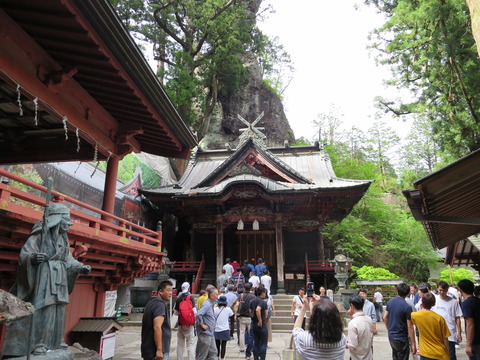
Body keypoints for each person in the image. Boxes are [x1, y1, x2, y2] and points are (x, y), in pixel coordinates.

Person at [3, 203, 91, 357]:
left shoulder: (63, 238)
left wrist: (80, 267)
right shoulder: (40, 234)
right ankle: (38, 343)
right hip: (44, 276)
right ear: (57, 219)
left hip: (60, 277)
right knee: (43, 309)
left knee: (59, 309)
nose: (68, 225)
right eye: (66, 220)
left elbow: (68, 259)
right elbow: (25, 255)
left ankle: (56, 340)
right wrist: (33, 258)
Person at [292, 293, 346, 359]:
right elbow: (330, 311)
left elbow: (296, 329)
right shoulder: (342, 339)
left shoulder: (305, 339)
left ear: (313, 320)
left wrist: (304, 307)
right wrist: (322, 301)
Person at [411, 292, 450, 360]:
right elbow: (445, 338)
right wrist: (447, 354)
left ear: (422, 302)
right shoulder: (439, 318)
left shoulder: (415, 315)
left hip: (425, 353)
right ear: (434, 304)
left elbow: (410, 324)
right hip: (440, 353)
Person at [141, 280, 173, 360]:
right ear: (160, 292)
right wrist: (159, 349)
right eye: (168, 290)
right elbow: (157, 327)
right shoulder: (160, 305)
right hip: (156, 352)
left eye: (171, 290)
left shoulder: (150, 303)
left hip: (148, 349)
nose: (170, 293)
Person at [384, 282, 416, 360]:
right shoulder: (407, 307)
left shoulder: (390, 302)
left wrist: (389, 329)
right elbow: (410, 326)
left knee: (395, 356)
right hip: (401, 337)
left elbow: (385, 317)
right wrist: (413, 344)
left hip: (392, 336)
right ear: (408, 293)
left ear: (397, 291)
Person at [433, 281, 463, 360]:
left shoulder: (453, 302)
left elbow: (457, 318)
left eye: (444, 290)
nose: (442, 292)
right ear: (437, 289)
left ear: (447, 290)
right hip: (437, 333)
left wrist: (459, 332)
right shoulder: (434, 300)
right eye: (440, 290)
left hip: (450, 333)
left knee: (451, 355)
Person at [458, 279, 480, 360]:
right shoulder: (477, 301)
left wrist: (468, 345)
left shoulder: (466, 304)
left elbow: (470, 325)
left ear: (460, 290)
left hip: (475, 341)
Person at [347, 294, 374, 360]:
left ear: (352, 306)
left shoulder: (353, 323)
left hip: (356, 357)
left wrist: (343, 343)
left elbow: (352, 345)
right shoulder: (369, 319)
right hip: (368, 355)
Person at [196, 286, 219, 360]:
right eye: (216, 295)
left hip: (210, 332)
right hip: (206, 333)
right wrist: (202, 324)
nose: (217, 296)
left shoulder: (210, 304)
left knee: (213, 352)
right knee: (203, 354)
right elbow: (199, 314)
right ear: (211, 296)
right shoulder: (207, 304)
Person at [175, 282, 196, 360]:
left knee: (180, 344)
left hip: (181, 323)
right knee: (190, 344)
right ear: (189, 288)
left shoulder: (178, 298)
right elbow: (195, 312)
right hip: (190, 324)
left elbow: (176, 313)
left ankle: (179, 358)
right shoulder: (191, 297)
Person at [234, 282, 256, 357]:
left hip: (242, 316)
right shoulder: (253, 296)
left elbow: (237, 305)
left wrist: (235, 314)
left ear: (244, 288)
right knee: (251, 333)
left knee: (242, 332)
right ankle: (250, 347)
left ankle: (241, 347)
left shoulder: (241, 295)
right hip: (250, 317)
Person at [250, 286, 268, 360]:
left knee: (256, 342)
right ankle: (262, 358)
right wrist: (260, 320)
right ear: (263, 293)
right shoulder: (262, 302)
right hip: (261, 324)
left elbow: (250, 311)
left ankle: (255, 357)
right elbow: (258, 310)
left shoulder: (252, 301)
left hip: (254, 323)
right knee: (263, 343)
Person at [214, 295, 234, 360]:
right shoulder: (228, 309)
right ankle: (222, 357)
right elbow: (232, 317)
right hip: (225, 329)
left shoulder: (215, 310)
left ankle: (217, 356)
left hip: (216, 329)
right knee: (223, 345)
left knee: (217, 345)